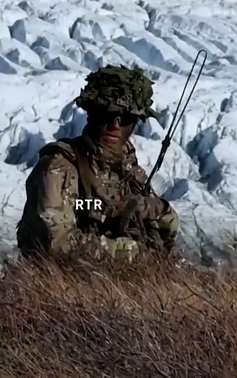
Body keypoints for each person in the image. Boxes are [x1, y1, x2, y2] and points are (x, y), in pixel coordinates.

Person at [16, 65, 180, 260]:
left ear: (136, 121)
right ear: (91, 113)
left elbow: (166, 237)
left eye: (125, 117)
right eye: (107, 114)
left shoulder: (131, 172)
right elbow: (56, 243)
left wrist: (155, 209)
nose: (115, 124)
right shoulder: (60, 167)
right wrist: (132, 253)